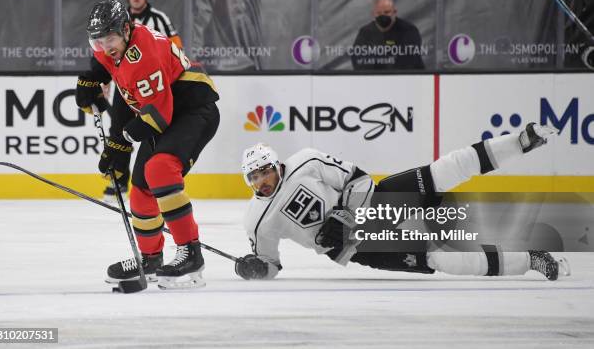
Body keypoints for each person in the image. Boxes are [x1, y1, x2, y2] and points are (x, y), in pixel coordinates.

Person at [234, 123, 571, 281]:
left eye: (264, 171)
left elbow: (358, 178)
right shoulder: (257, 221)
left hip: (374, 204)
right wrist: (253, 269)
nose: (261, 181)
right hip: (360, 248)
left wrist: (343, 215)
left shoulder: (306, 161)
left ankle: (522, 141)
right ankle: (531, 260)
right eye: (254, 177)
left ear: (275, 164)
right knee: (444, 260)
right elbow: (271, 265)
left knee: (445, 170)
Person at [75, 0, 219, 289]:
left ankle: (191, 255)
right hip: (168, 111)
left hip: (192, 110)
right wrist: (92, 80)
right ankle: (151, 258)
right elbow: (121, 94)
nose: (106, 46)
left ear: (126, 30)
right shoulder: (116, 49)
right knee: (141, 188)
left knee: (160, 169)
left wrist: (121, 143)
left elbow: (156, 115)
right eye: (99, 40)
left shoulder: (143, 56)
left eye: (111, 38)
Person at [102, 0, 185, 201]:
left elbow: (176, 48)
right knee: (119, 130)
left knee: (152, 128)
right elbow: (108, 53)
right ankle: (118, 181)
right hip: (126, 86)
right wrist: (105, 80)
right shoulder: (115, 20)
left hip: (152, 86)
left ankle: (155, 183)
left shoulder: (159, 18)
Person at [351, 0, 425, 70]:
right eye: (378, 13)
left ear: (394, 12)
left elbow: (408, 61)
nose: (382, 15)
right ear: (373, 14)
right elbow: (358, 59)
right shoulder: (365, 32)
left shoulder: (408, 30)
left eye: (387, 12)